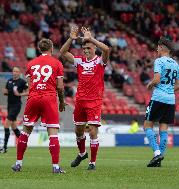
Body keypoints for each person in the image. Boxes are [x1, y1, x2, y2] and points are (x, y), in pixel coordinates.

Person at [11, 39, 66, 173]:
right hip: (49, 98)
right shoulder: (57, 63)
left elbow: (30, 85)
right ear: (51, 48)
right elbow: (60, 86)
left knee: (25, 131)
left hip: (34, 97)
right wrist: (62, 101)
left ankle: (18, 164)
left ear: (39, 49)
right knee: (52, 133)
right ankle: (55, 167)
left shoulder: (31, 63)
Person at [60, 26, 110, 170]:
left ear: (94, 47)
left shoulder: (100, 61)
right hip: (80, 100)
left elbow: (106, 49)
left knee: (93, 131)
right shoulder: (80, 61)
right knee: (78, 131)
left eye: (89, 47)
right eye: (85, 48)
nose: (87, 50)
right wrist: (71, 38)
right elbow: (63, 52)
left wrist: (90, 38)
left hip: (94, 100)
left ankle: (92, 163)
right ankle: (82, 154)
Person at [144, 37, 179, 167]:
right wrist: (169, 89)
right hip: (171, 100)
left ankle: (157, 152)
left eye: (157, 47)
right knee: (163, 129)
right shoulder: (176, 65)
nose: (156, 49)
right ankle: (159, 158)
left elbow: (157, 79)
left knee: (147, 126)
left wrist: (150, 84)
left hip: (158, 97)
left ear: (161, 47)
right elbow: (178, 85)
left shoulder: (159, 61)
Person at [0, 67, 28, 153]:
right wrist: (5, 92)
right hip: (9, 105)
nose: (15, 73)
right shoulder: (9, 81)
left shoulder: (22, 82)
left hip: (16, 105)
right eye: (14, 71)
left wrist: (20, 94)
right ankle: (23, 143)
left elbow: (29, 92)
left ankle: (4, 147)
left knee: (6, 124)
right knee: (14, 126)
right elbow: (6, 91)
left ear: (19, 73)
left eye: (17, 71)